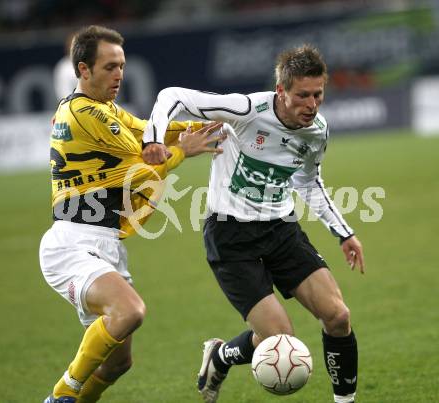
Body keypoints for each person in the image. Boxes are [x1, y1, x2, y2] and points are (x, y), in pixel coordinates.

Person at [142, 45, 365, 403]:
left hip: (281, 230)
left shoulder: (316, 131)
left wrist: (344, 232)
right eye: (302, 95)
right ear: (281, 91)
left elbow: (308, 182)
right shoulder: (247, 110)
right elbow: (173, 96)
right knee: (281, 342)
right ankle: (221, 356)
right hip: (231, 239)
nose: (312, 104)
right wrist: (153, 138)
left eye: (318, 94)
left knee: (338, 316)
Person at [40, 25, 224, 403]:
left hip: (103, 241)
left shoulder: (103, 109)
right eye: (109, 67)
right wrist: (183, 151)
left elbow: (147, 131)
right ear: (83, 70)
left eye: (121, 65)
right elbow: (142, 162)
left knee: (117, 364)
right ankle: (61, 395)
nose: (119, 74)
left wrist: (202, 126)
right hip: (73, 241)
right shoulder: (84, 112)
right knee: (130, 311)